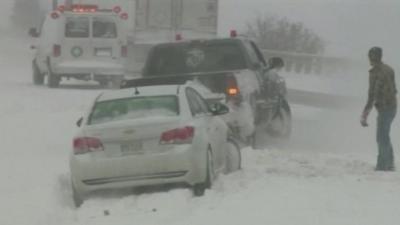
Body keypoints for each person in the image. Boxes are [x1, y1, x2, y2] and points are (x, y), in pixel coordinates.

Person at [361, 47, 397, 171]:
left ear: (375, 57)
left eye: (371, 56)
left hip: (386, 108)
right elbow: (392, 90)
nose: (370, 59)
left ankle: (383, 165)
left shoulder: (379, 72)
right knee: (384, 135)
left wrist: (365, 113)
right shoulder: (386, 70)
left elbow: (375, 94)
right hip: (390, 107)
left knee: (381, 136)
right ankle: (389, 163)